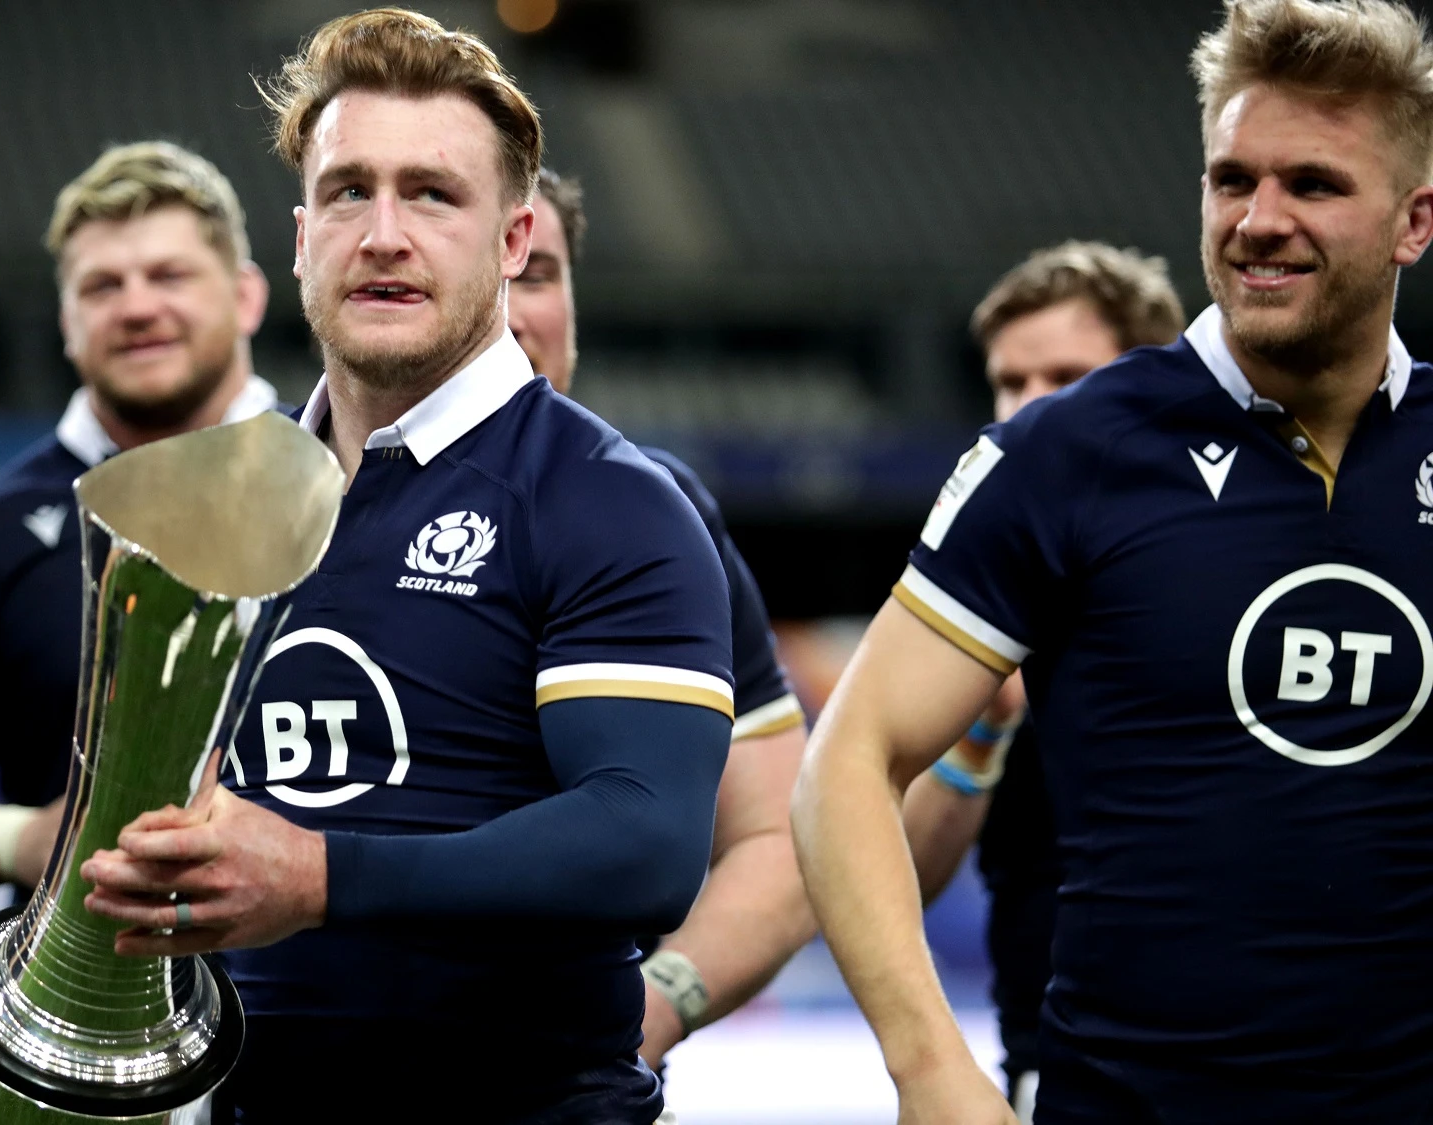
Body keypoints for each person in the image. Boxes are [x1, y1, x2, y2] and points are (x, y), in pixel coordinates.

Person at [76, 11, 733, 1122]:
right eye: (348, 192)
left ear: (513, 241)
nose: (383, 234)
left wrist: (317, 879)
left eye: (431, 193)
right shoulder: (209, 505)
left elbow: (645, 842)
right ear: (298, 238)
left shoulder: (609, 502)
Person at [793, 1, 1433, 1121]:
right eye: (1231, 180)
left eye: (1312, 185)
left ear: (1412, 221)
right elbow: (845, 761)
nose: (1258, 220)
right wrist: (928, 1067)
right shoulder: (1065, 453)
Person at [0, 141, 276, 894]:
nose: (138, 306)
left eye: (169, 275)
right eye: (102, 285)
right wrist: (22, 839)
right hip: (92, 988)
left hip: (336, 989)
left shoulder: (346, 480)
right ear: (66, 319)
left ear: (246, 296)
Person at [506, 168, 810, 1065]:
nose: (515, 312)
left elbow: (781, 836)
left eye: (540, 273)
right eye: (492, 270)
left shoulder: (658, 513)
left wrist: (658, 1003)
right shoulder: (291, 504)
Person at [891, 241, 1185, 1122]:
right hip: (1051, 1074)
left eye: (1065, 375)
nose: (1029, 410)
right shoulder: (975, 593)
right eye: (1010, 383)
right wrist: (982, 727)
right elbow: (894, 869)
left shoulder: (1231, 569)